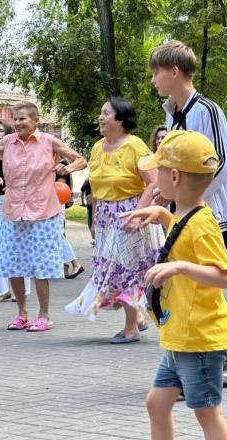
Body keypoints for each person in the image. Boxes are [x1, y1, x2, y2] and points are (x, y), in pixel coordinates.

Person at [124, 130, 227, 440]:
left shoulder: (203, 223)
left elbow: (223, 276)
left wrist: (180, 267)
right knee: (156, 404)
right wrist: (159, 213)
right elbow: (180, 233)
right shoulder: (185, 213)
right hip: (180, 335)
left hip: (199, 339)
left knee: (207, 413)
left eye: (158, 170)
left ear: (174, 176)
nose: (154, 176)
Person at [149, 40, 227, 385]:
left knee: (207, 284)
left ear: (174, 72)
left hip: (208, 213)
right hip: (184, 210)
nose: (154, 80)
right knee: (186, 284)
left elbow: (218, 164)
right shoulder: (172, 112)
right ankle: (190, 360)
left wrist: (191, 199)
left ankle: (217, 361)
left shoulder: (207, 110)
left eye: (157, 73)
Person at [65, 97, 163, 343]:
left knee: (126, 269)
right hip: (106, 216)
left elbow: (154, 183)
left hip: (130, 212)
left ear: (121, 119)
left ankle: (131, 328)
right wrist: (94, 220)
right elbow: (96, 187)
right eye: (101, 112)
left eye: (106, 113)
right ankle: (137, 317)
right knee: (111, 269)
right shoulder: (98, 147)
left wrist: (137, 214)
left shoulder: (135, 146)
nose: (101, 117)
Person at [0, 102, 87, 331]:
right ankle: (21, 313)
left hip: (42, 211)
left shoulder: (49, 141)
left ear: (36, 120)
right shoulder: (7, 142)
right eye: (15, 119)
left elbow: (80, 159)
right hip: (13, 210)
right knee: (12, 262)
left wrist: (67, 169)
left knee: (40, 265)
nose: (18, 123)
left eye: (22, 118)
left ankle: (44, 315)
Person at [0, 120, 32, 302]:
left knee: (20, 247)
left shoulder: (17, 151)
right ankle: (3, 290)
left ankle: (23, 290)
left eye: (1, 130)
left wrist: (15, 186)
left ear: (8, 133)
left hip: (19, 203)